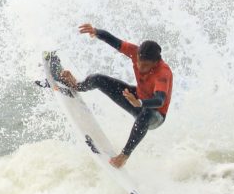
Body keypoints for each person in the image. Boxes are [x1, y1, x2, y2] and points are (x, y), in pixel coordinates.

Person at [60, 23, 173, 168]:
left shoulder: (163, 73)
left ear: (156, 62)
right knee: (98, 79)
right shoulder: (135, 51)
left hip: (155, 115)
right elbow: (115, 42)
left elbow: (160, 100)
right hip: (136, 98)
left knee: (146, 114)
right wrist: (96, 31)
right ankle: (76, 85)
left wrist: (140, 103)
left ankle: (124, 156)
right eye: (139, 62)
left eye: (145, 66)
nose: (140, 67)